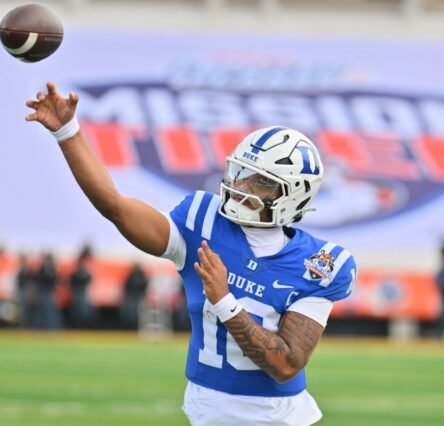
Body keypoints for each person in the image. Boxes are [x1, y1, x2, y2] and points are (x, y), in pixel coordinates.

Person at [25, 82, 358, 425]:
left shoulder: (318, 264)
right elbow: (116, 207)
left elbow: (286, 365)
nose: (241, 187)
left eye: (260, 182)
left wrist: (225, 302)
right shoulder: (203, 222)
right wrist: (68, 132)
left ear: (293, 195)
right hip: (205, 414)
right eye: (241, 173)